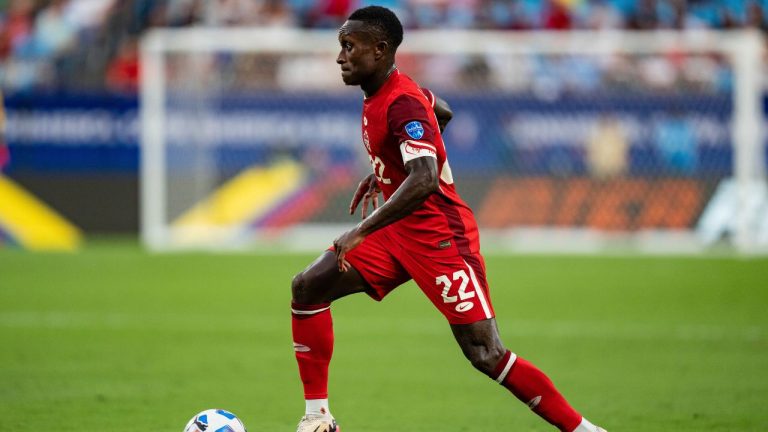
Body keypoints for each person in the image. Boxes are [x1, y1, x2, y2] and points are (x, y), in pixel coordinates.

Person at [290, 6, 606, 432]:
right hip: (397, 233)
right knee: (309, 287)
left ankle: (585, 431)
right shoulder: (395, 93)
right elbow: (444, 113)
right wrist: (385, 169)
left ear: (380, 50)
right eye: (340, 46)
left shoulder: (401, 102)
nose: (340, 56)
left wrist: (359, 230)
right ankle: (318, 418)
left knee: (486, 354)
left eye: (349, 46)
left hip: (440, 240)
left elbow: (424, 178)